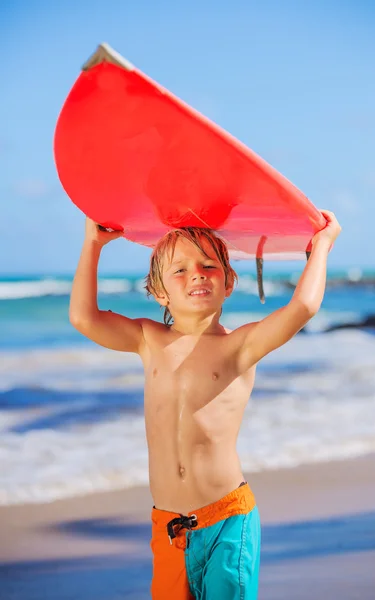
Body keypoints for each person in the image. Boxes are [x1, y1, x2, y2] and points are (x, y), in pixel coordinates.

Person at [69, 211, 341, 599]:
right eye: (179, 270)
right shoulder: (148, 340)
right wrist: (92, 244)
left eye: (209, 265)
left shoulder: (240, 346)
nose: (196, 274)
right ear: (160, 292)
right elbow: (83, 317)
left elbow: (303, 308)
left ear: (229, 282)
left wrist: (323, 245)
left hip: (227, 521)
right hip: (169, 530)